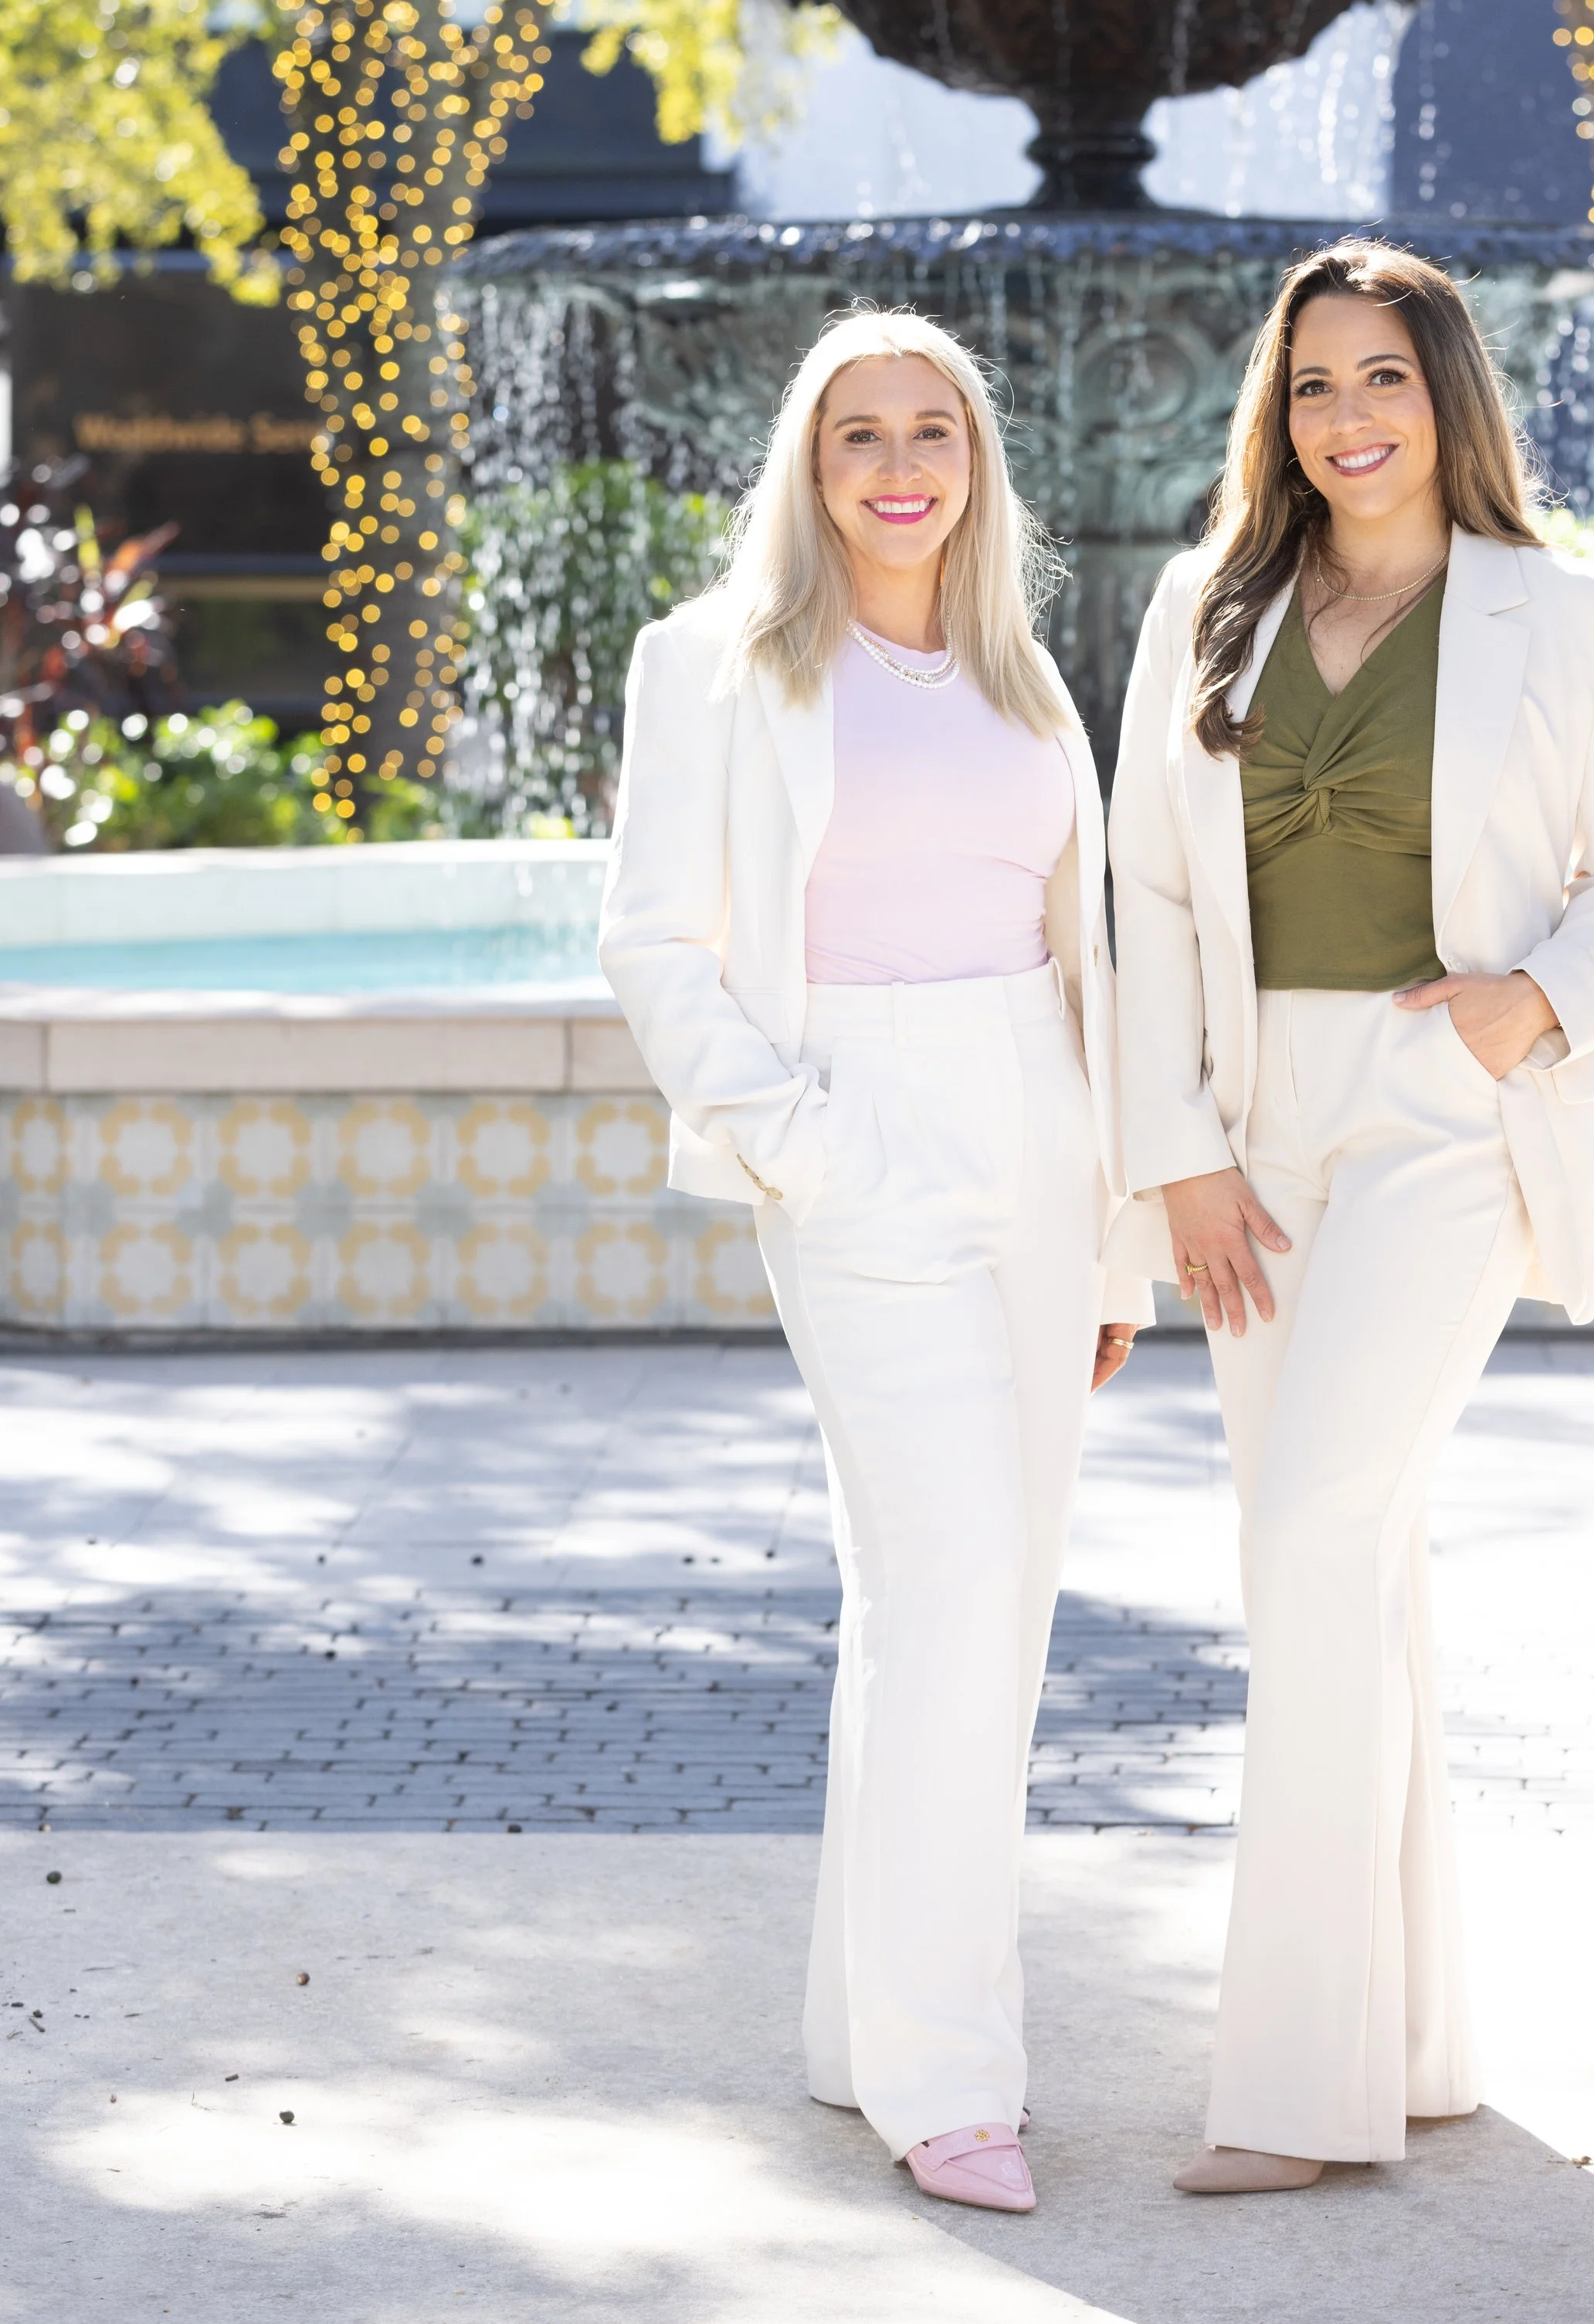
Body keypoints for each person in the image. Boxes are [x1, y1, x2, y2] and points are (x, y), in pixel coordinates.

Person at [1107, 240, 1594, 2194]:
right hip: (1252, 1139)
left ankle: (1293, 2089)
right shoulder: (1203, 602)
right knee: (1355, 1562)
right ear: (1274, 415)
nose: (1346, 417)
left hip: (1445, 1114)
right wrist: (1173, 1150)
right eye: (1311, 384)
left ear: (1446, 395)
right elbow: (1144, 900)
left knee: (1312, 1535)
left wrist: (1543, 1000)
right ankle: (1414, 2039)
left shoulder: (1556, 610)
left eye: (1382, 377)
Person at [600, 306, 1149, 2216]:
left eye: (935, 429)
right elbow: (651, 942)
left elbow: (1083, 963)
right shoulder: (715, 662)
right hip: (858, 1133)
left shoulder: (1021, 674)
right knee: (953, 1589)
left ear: (975, 462)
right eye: (861, 433)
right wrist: (802, 1140)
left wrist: (1117, 1238)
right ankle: (950, 2079)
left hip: (1042, 1139)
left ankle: (863, 2025)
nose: (901, 464)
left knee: (969, 1609)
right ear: (810, 464)